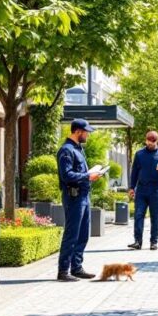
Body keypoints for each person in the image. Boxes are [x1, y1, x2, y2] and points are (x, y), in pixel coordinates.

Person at [56, 119, 101, 281]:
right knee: (72, 234)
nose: (88, 135)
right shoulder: (66, 150)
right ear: (77, 131)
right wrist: (88, 176)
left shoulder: (78, 149)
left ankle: (76, 267)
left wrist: (90, 175)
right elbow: (66, 175)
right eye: (86, 132)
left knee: (83, 234)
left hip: (83, 195)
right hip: (73, 196)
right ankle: (63, 271)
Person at [128, 130, 158, 250]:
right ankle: (137, 241)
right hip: (141, 189)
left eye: (153, 142)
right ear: (146, 140)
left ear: (157, 141)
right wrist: (132, 187)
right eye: (148, 141)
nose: (150, 144)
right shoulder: (139, 154)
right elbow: (134, 172)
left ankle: (154, 242)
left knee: (155, 216)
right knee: (138, 215)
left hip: (155, 189)